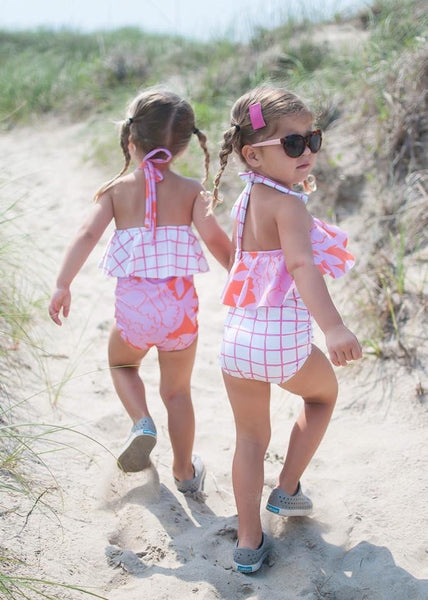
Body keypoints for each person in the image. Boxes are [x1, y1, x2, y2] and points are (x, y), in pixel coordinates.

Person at [49, 88, 231, 494]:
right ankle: (185, 472)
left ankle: (141, 422)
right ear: (183, 148)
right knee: (178, 391)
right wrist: (243, 275)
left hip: (135, 312)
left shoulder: (115, 192)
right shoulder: (190, 192)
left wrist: (63, 284)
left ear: (130, 140)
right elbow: (217, 241)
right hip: (180, 313)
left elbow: (86, 233)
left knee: (122, 366)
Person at [211, 86, 362, 572]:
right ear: (253, 154)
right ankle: (288, 488)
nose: (308, 152)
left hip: (236, 342)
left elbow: (244, 265)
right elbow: (301, 267)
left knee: (249, 439)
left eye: (312, 138)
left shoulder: (246, 199)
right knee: (321, 397)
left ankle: (249, 542)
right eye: (293, 145)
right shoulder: (288, 205)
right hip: (280, 342)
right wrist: (334, 327)